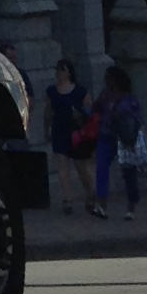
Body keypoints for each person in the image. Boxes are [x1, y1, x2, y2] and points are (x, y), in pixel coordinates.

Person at [91, 61, 143, 222]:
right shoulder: (105, 95)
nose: (107, 82)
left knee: (128, 172)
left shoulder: (128, 98)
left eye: (109, 79)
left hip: (124, 138)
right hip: (106, 135)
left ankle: (131, 207)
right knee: (101, 168)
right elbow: (95, 109)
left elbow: (135, 118)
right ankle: (102, 205)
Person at [43, 58, 89, 217]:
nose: (59, 72)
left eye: (62, 69)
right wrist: (46, 130)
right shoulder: (52, 91)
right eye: (57, 69)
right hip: (59, 130)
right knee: (62, 168)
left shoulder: (80, 91)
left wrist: (84, 122)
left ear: (69, 72)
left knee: (81, 166)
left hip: (76, 132)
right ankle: (67, 200)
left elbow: (89, 111)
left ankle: (90, 193)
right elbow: (48, 113)